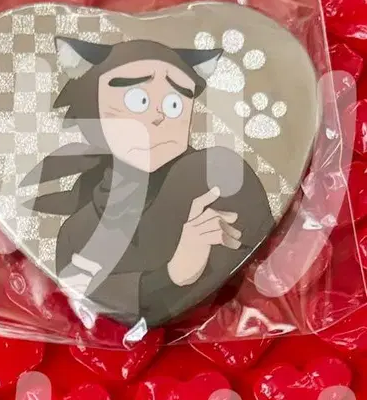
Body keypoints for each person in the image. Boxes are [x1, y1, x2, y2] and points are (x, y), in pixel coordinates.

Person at [22, 37, 274, 327]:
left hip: (236, 320)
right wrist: (173, 273)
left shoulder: (216, 175)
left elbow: (264, 270)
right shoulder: (76, 233)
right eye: (138, 100)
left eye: (174, 104)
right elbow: (90, 298)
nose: (158, 116)